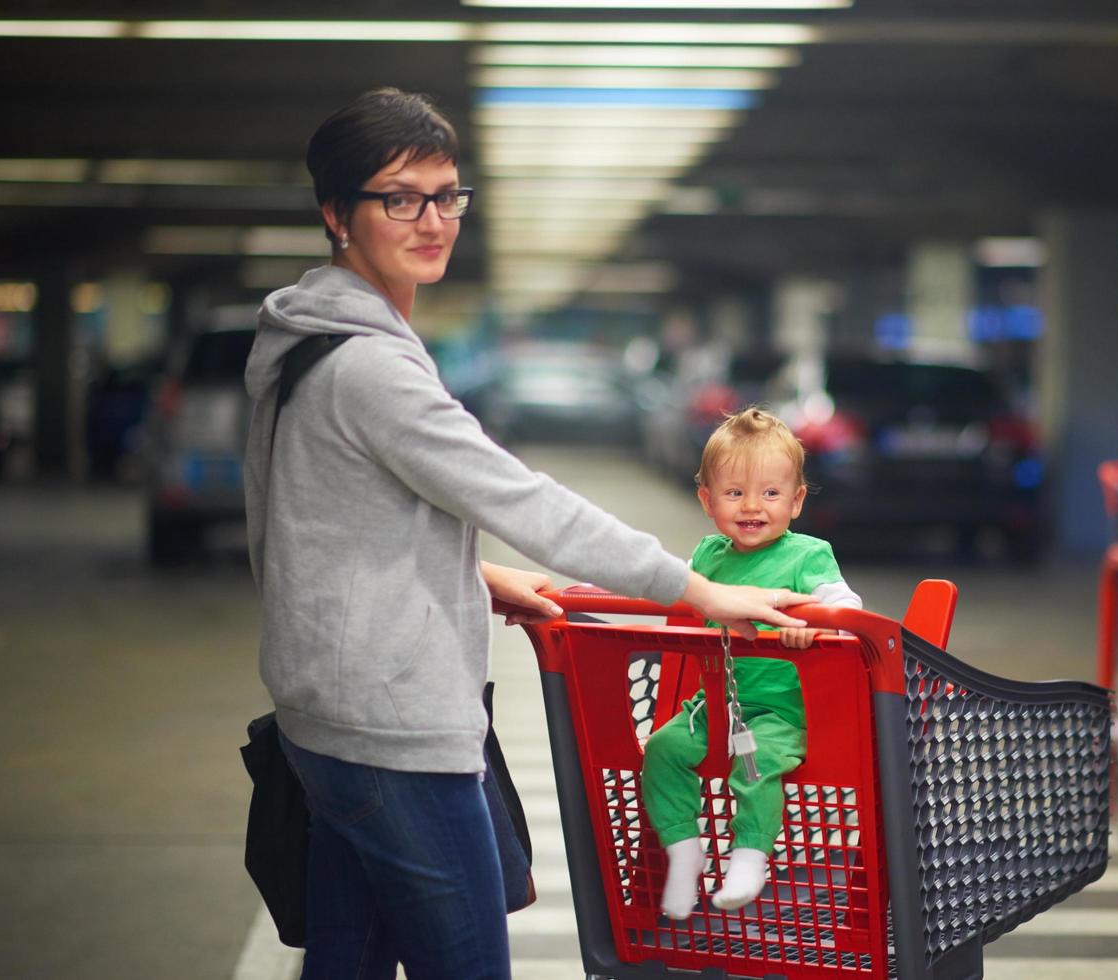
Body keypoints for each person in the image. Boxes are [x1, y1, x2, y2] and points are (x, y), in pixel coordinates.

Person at [242, 88, 812, 980]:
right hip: (392, 731)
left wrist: (475, 580)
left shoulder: (308, 344)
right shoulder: (369, 367)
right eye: (400, 197)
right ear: (334, 213)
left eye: (446, 196)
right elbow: (523, 499)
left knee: (348, 960)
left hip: (326, 714)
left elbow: (325, 525)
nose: (432, 221)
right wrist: (699, 591)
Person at [640, 407, 862, 920]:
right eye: (734, 493)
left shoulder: (808, 556)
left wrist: (813, 622)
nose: (751, 507)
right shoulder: (707, 557)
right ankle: (683, 852)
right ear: (707, 500)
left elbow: (850, 611)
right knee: (663, 748)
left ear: (797, 500)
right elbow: (675, 596)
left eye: (770, 493)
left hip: (781, 712)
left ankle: (750, 856)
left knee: (755, 764)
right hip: (712, 704)